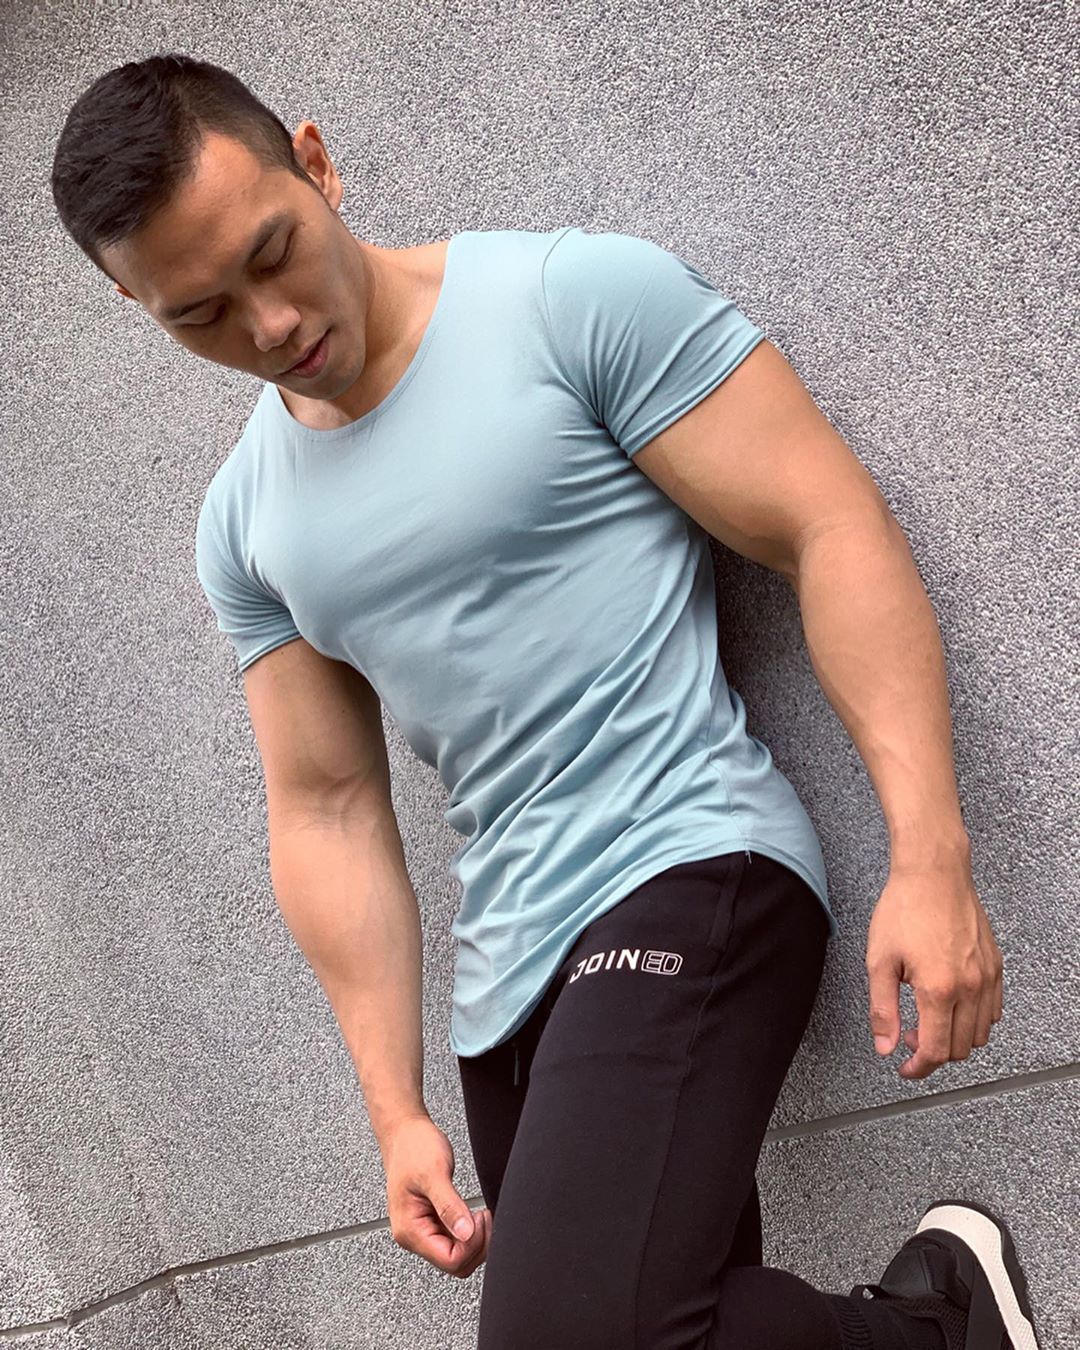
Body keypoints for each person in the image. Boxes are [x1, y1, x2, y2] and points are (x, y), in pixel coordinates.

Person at [50, 53, 1042, 1350]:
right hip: (507, 991)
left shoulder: (568, 299)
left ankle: (940, 1329)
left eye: (273, 252)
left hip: (689, 865)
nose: (271, 323)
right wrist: (394, 1107)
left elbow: (828, 524)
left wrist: (930, 854)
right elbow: (328, 806)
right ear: (137, 304)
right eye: (202, 314)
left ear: (318, 163)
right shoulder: (245, 523)